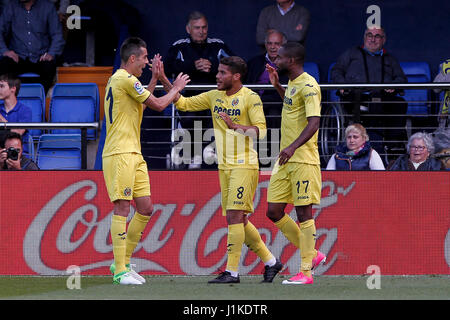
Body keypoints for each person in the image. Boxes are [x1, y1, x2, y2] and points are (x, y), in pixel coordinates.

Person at [159, 56, 283, 284]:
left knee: (235, 216)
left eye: (223, 73)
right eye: (218, 72)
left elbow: (261, 131)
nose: (217, 76)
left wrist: (237, 126)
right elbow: (183, 104)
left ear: (236, 76)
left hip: (244, 165)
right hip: (224, 166)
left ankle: (232, 272)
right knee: (238, 219)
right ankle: (271, 261)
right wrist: (165, 80)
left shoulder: (250, 98)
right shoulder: (214, 97)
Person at [102, 37, 190, 285]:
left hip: (133, 152)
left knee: (146, 208)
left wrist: (153, 80)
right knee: (122, 207)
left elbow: (142, 105)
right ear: (132, 59)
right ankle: (120, 270)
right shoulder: (125, 79)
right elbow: (160, 105)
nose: (146, 62)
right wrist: (176, 87)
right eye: (144, 58)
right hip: (120, 153)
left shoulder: (122, 81)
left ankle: (124, 263)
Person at [265, 42, 326, 285]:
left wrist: (292, 146)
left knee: (303, 212)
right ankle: (313, 254)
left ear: (291, 60)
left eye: (279, 57)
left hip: (302, 159)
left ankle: (306, 272)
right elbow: (291, 106)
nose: (275, 59)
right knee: (273, 211)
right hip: (286, 159)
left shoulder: (309, 85)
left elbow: (314, 123)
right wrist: (278, 87)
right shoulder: (291, 82)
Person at [164, 11, 234, 169]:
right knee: (191, 118)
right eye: (197, 28)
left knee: (216, 119)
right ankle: (194, 156)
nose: (201, 31)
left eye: (204, 27)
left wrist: (212, 65)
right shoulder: (179, 46)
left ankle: (211, 159)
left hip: (215, 97)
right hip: (188, 97)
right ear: (188, 29)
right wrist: (192, 66)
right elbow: (167, 68)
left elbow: (237, 64)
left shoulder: (218, 44)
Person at [330, 25, 408, 157]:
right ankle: (366, 144)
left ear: (384, 40)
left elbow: (401, 78)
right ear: (364, 38)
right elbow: (336, 71)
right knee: (364, 103)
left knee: (400, 103)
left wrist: (394, 85)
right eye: (369, 35)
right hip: (356, 98)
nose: (373, 39)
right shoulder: (351, 53)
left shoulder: (390, 58)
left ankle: (393, 146)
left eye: (377, 36)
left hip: (383, 99)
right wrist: (342, 85)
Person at [0, 0, 65, 94]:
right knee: (3, 65)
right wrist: (5, 51)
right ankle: (11, 102)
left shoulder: (48, 7)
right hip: (18, 57)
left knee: (49, 67)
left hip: (41, 57)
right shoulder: (10, 7)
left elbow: (57, 35)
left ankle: (39, 99)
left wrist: (51, 53)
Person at [247, 29, 288, 130]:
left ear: (283, 45)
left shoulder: (288, 64)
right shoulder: (254, 62)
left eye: (276, 44)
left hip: (274, 105)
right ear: (265, 45)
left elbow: (284, 93)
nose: (272, 47)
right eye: (269, 43)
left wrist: (259, 102)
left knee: (273, 115)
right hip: (251, 103)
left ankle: (271, 146)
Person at [0, 74, 32, 155]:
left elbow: (18, 133)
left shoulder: (25, 111)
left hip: (18, 154)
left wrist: (2, 120)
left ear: (13, 88)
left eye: (1, 86)